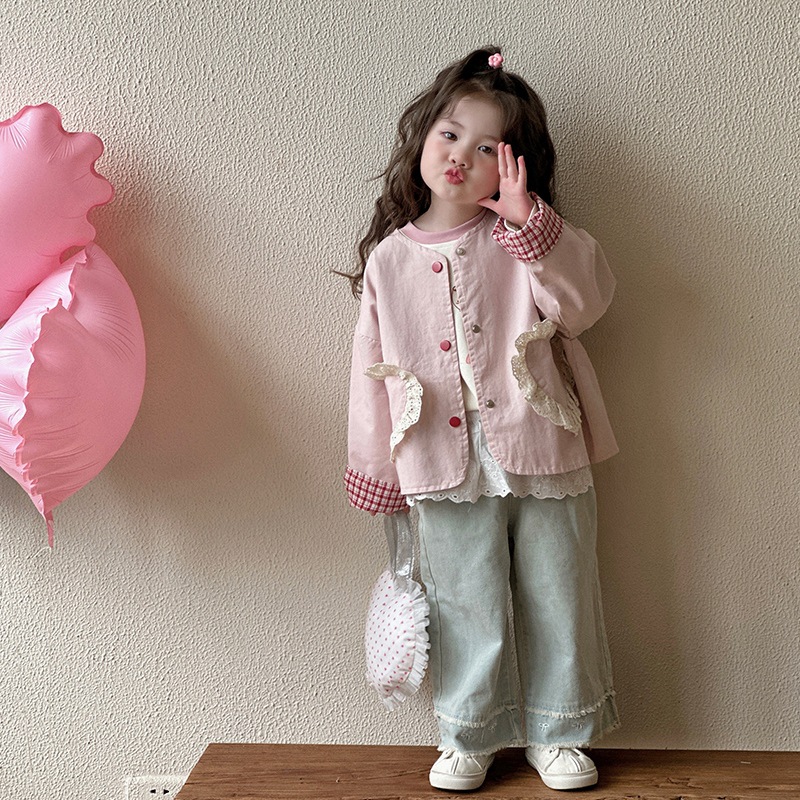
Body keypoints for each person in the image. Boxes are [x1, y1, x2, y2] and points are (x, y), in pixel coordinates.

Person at [342, 46, 620, 792]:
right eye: (450, 134)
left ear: (515, 166)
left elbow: (585, 305)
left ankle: (561, 729)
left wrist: (533, 226)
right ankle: (468, 731)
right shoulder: (389, 260)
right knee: (461, 598)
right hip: (436, 458)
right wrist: (374, 471)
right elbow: (369, 375)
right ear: (423, 137)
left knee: (560, 590)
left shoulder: (526, 240)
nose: (462, 156)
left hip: (543, 444)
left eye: (489, 147)